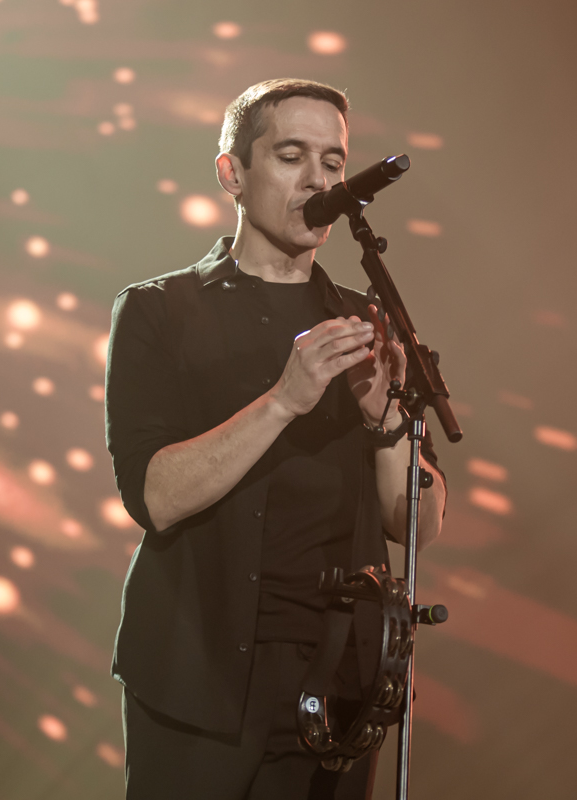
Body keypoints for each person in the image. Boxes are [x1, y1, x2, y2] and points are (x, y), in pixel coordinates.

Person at [104, 78, 447, 800]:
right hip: (199, 673)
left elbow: (416, 523)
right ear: (232, 173)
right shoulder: (158, 312)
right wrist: (285, 400)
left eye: (333, 160)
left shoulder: (364, 320)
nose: (318, 179)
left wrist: (384, 419)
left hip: (340, 679)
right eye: (292, 156)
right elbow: (155, 497)